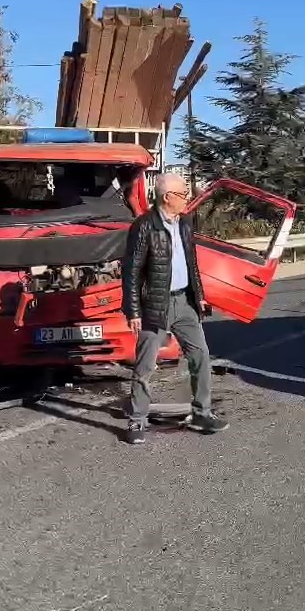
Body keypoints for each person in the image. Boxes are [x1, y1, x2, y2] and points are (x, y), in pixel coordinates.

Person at [122, 172, 228, 443]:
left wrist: (199, 295)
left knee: (200, 356)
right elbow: (131, 272)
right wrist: (133, 310)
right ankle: (137, 421)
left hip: (185, 303)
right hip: (155, 305)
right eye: (182, 194)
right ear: (167, 197)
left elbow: (191, 263)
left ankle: (202, 412)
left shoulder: (185, 224)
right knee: (145, 366)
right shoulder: (144, 226)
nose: (187, 198)